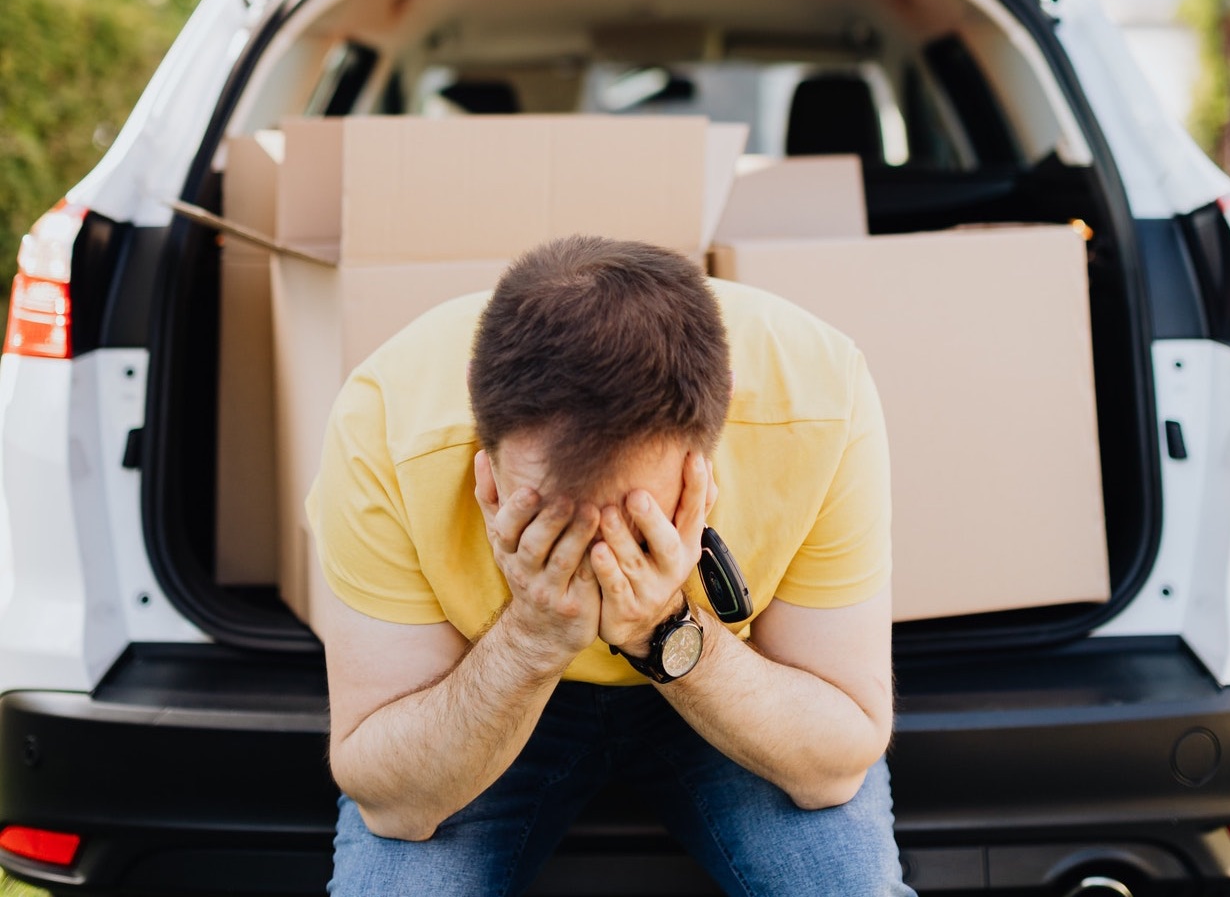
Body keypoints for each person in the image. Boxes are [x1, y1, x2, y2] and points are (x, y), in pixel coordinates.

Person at [309, 235, 914, 896]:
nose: (598, 561)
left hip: (736, 674)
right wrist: (534, 635)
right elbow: (393, 804)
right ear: (483, 449)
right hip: (479, 687)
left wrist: (663, 626)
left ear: (713, 439)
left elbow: (833, 765)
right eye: (550, 524)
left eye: (636, 521)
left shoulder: (819, 397)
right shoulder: (388, 422)